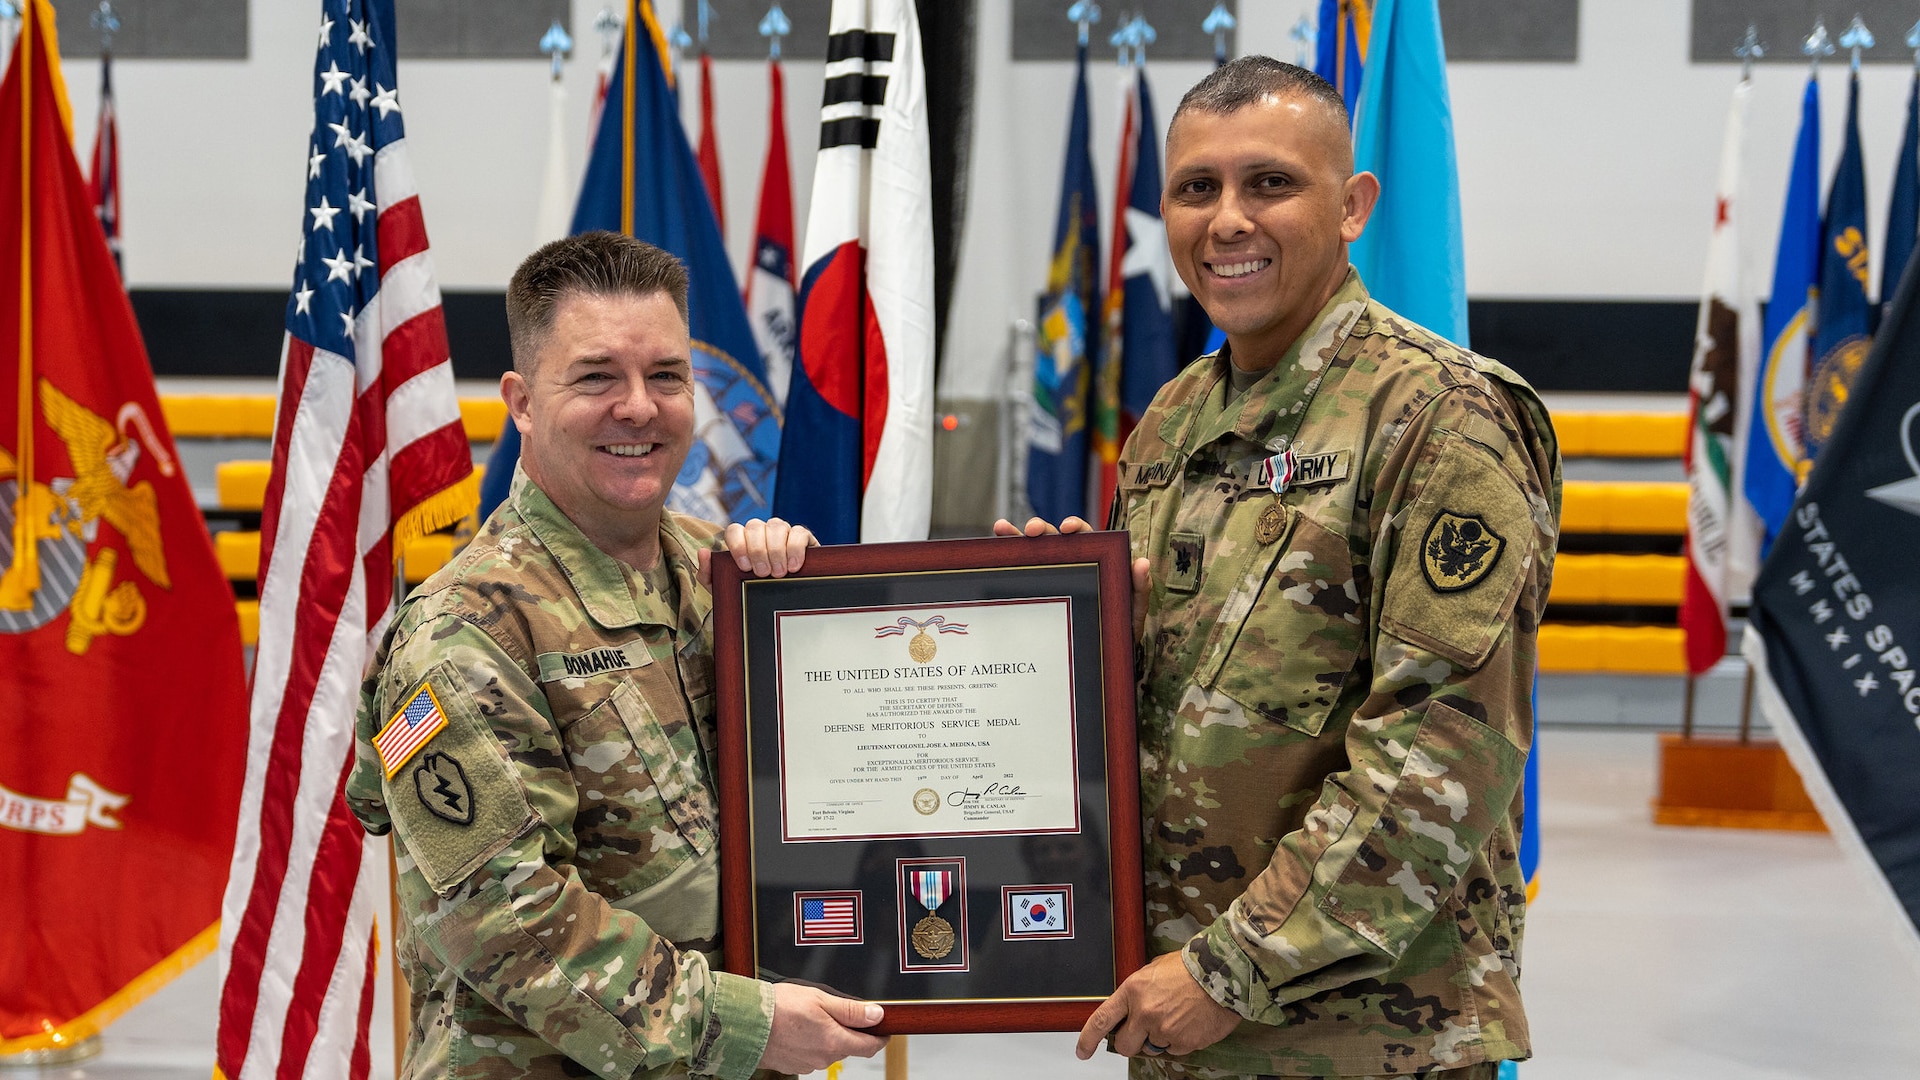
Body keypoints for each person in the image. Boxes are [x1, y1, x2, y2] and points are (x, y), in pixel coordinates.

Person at [1005, 58, 1560, 1078]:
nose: (1226, 220)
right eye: (1194, 188)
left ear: (1352, 206)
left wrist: (1229, 973)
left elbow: (1442, 755)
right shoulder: (1173, 421)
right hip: (1179, 1023)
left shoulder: (1441, 417)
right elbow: (1179, 703)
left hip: (1370, 1040)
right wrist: (1063, 632)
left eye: (1270, 183)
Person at [345, 231, 886, 1079]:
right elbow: (505, 919)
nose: (639, 407)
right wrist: (742, 1026)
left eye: (666, 376)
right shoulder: (464, 631)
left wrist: (816, 616)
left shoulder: (734, 583)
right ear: (521, 401)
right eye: (596, 376)